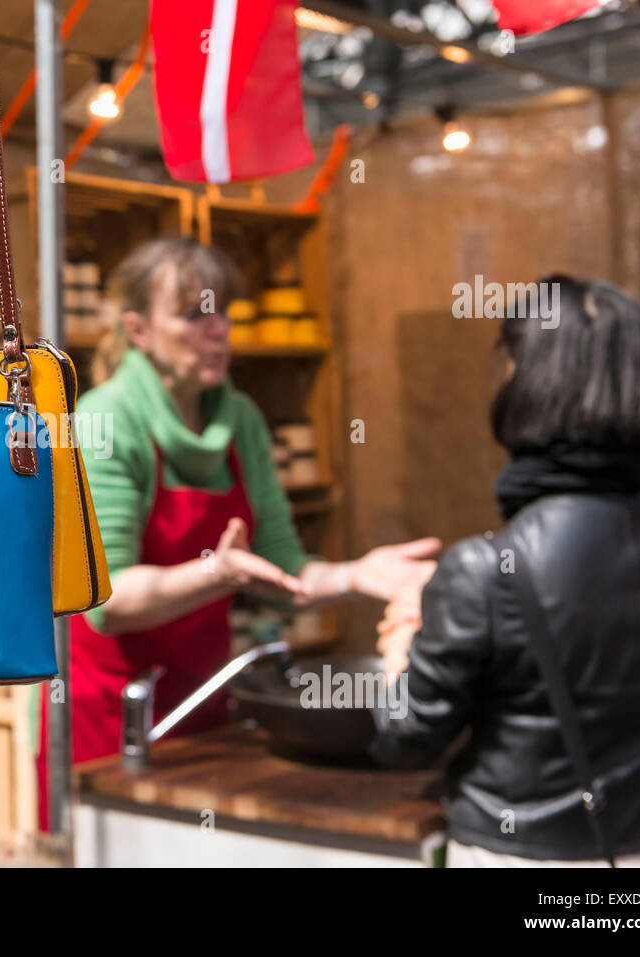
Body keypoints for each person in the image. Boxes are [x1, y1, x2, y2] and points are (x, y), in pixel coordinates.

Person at [37, 237, 439, 826]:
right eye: (193, 314)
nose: (217, 329)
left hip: (201, 694)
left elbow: (280, 566)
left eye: (221, 311)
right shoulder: (106, 420)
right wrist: (215, 572)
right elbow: (107, 599)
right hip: (109, 707)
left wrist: (356, 574)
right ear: (139, 331)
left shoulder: (240, 419)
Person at [371, 275, 640, 867]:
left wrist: (403, 643)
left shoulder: (485, 568)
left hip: (522, 856)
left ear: (530, 384)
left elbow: (404, 736)